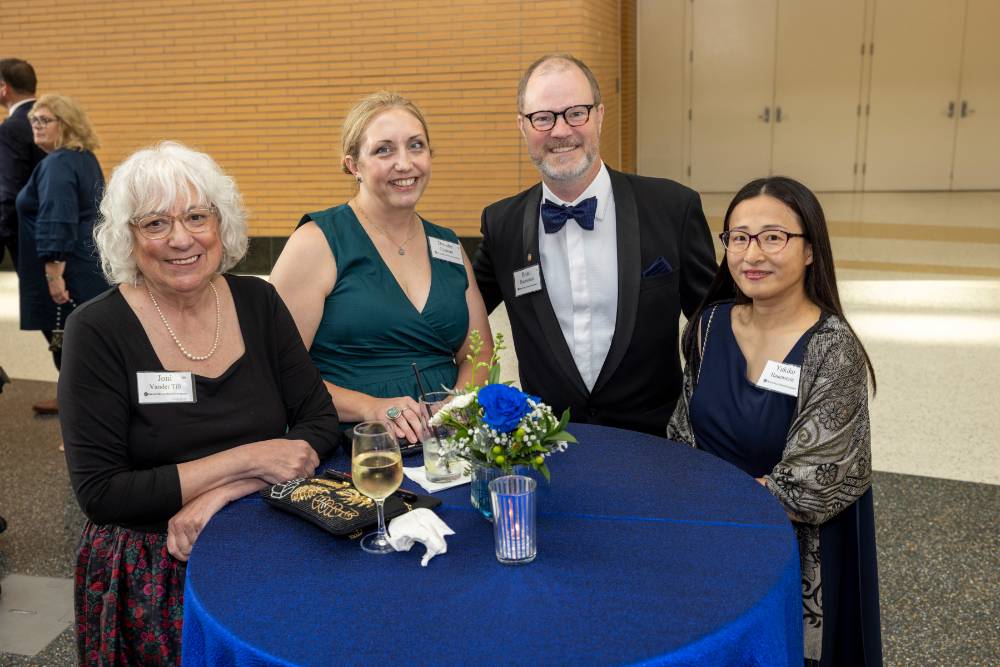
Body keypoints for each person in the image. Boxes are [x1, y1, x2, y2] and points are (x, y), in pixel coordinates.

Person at [59, 141, 343, 665]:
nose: (181, 238)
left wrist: (226, 492)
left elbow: (320, 421)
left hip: (268, 537)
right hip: (156, 570)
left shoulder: (258, 301)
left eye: (196, 216)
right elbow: (102, 492)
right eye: (155, 223)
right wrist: (250, 457)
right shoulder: (96, 329)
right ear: (127, 237)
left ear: (221, 223)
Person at [667, 176, 882, 666]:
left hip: (791, 551)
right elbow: (682, 433)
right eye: (739, 237)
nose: (752, 254)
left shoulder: (833, 350)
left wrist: (711, 504)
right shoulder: (709, 325)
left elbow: (811, 482)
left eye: (773, 237)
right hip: (709, 539)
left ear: (810, 251)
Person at [473, 54, 716, 436]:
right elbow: (455, 321)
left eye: (576, 113)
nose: (560, 131)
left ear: (599, 115)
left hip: (656, 442)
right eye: (543, 117)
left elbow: (715, 326)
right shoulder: (502, 225)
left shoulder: (673, 208)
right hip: (548, 444)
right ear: (523, 126)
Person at [271, 91, 492, 442]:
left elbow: (478, 353)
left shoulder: (449, 246)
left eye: (416, 146)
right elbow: (278, 371)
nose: (404, 163)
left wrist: (456, 405)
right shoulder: (317, 242)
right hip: (352, 444)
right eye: (384, 150)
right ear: (353, 165)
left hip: (446, 443)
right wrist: (370, 407)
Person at [15, 94, 107, 416]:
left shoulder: (58, 164)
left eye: (45, 120)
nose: (36, 126)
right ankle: (77, 397)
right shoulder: (83, 158)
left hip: (67, 269)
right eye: (34, 120)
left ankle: (78, 405)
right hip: (86, 263)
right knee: (82, 337)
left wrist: (54, 275)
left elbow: (57, 217)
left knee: (69, 338)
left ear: (66, 124)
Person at [0, 58, 45, 270]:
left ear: (4, 87)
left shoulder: (10, 129)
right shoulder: (54, 120)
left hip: (24, 231)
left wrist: (5, 233)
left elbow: (9, 188)